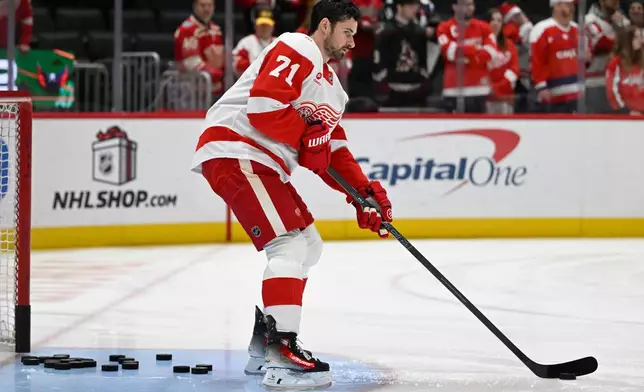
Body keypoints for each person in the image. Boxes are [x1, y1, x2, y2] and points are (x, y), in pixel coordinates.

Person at [190, 0, 394, 389]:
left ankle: (267, 340)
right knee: (287, 246)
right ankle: (281, 356)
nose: (353, 42)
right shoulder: (298, 47)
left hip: (262, 163)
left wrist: (364, 194)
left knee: (308, 244)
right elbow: (264, 108)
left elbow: (333, 153)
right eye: (347, 32)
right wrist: (307, 139)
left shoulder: (334, 91)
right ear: (324, 26)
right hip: (237, 150)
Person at [436, 0, 499, 113]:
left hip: (481, 89)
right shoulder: (444, 28)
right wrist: (476, 49)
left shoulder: (484, 27)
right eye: (465, 4)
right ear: (454, 7)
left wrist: (463, 54)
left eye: (471, 4)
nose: (469, 7)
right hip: (453, 89)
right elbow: (449, 52)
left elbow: (492, 53)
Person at [529, 0, 590, 113]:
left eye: (572, 5)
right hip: (552, 96)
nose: (572, 8)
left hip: (577, 95)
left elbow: (586, 59)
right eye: (568, 4)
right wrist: (541, 87)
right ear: (556, 6)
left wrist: (586, 58)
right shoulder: (542, 29)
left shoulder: (578, 30)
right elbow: (537, 61)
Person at [372, 0, 432, 107]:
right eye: (411, 5)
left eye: (416, 5)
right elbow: (378, 61)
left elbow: (424, 61)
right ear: (399, 7)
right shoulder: (385, 31)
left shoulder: (420, 32)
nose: (415, 9)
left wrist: (423, 80)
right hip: (391, 90)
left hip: (416, 90)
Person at [585, 0, 631, 112]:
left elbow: (633, 45)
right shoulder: (589, 20)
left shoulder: (622, 20)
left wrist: (621, 30)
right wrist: (622, 35)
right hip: (595, 83)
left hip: (619, 83)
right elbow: (602, 43)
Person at [174, 0, 225, 95]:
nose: (206, 9)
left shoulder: (216, 29)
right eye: (203, 5)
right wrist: (218, 74)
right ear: (194, 6)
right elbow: (191, 63)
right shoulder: (187, 30)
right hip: (191, 92)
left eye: (210, 5)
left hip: (214, 90)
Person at [498, 1, 533, 112]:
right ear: (512, 19)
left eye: (522, 13)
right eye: (518, 15)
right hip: (517, 76)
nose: (524, 17)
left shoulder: (526, 30)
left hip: (526, 74)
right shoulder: (511, 33)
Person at [486, 8, 519, 114]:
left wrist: (497, 87)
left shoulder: (509, 45)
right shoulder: (480, 44)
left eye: (499, 20)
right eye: (493, 20)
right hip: (484, 98)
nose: (496, 23)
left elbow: (514, 71)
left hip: (506, 97)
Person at [606, 25, 644, 114]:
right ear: (627, 40)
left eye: (640, 37)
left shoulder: (641, 59)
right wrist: (625, 111)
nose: (641, 40)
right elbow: (611, 90)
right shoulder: (616, 62)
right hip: (627, 114)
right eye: (636, 37)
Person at [233, 9, 276, 77]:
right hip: (251, 82)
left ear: (273, 27)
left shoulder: (278, 42)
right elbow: (237, 65)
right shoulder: (246, 42)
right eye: (261, 25)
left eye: (267, 25)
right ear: (255, 26)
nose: (264, 28)